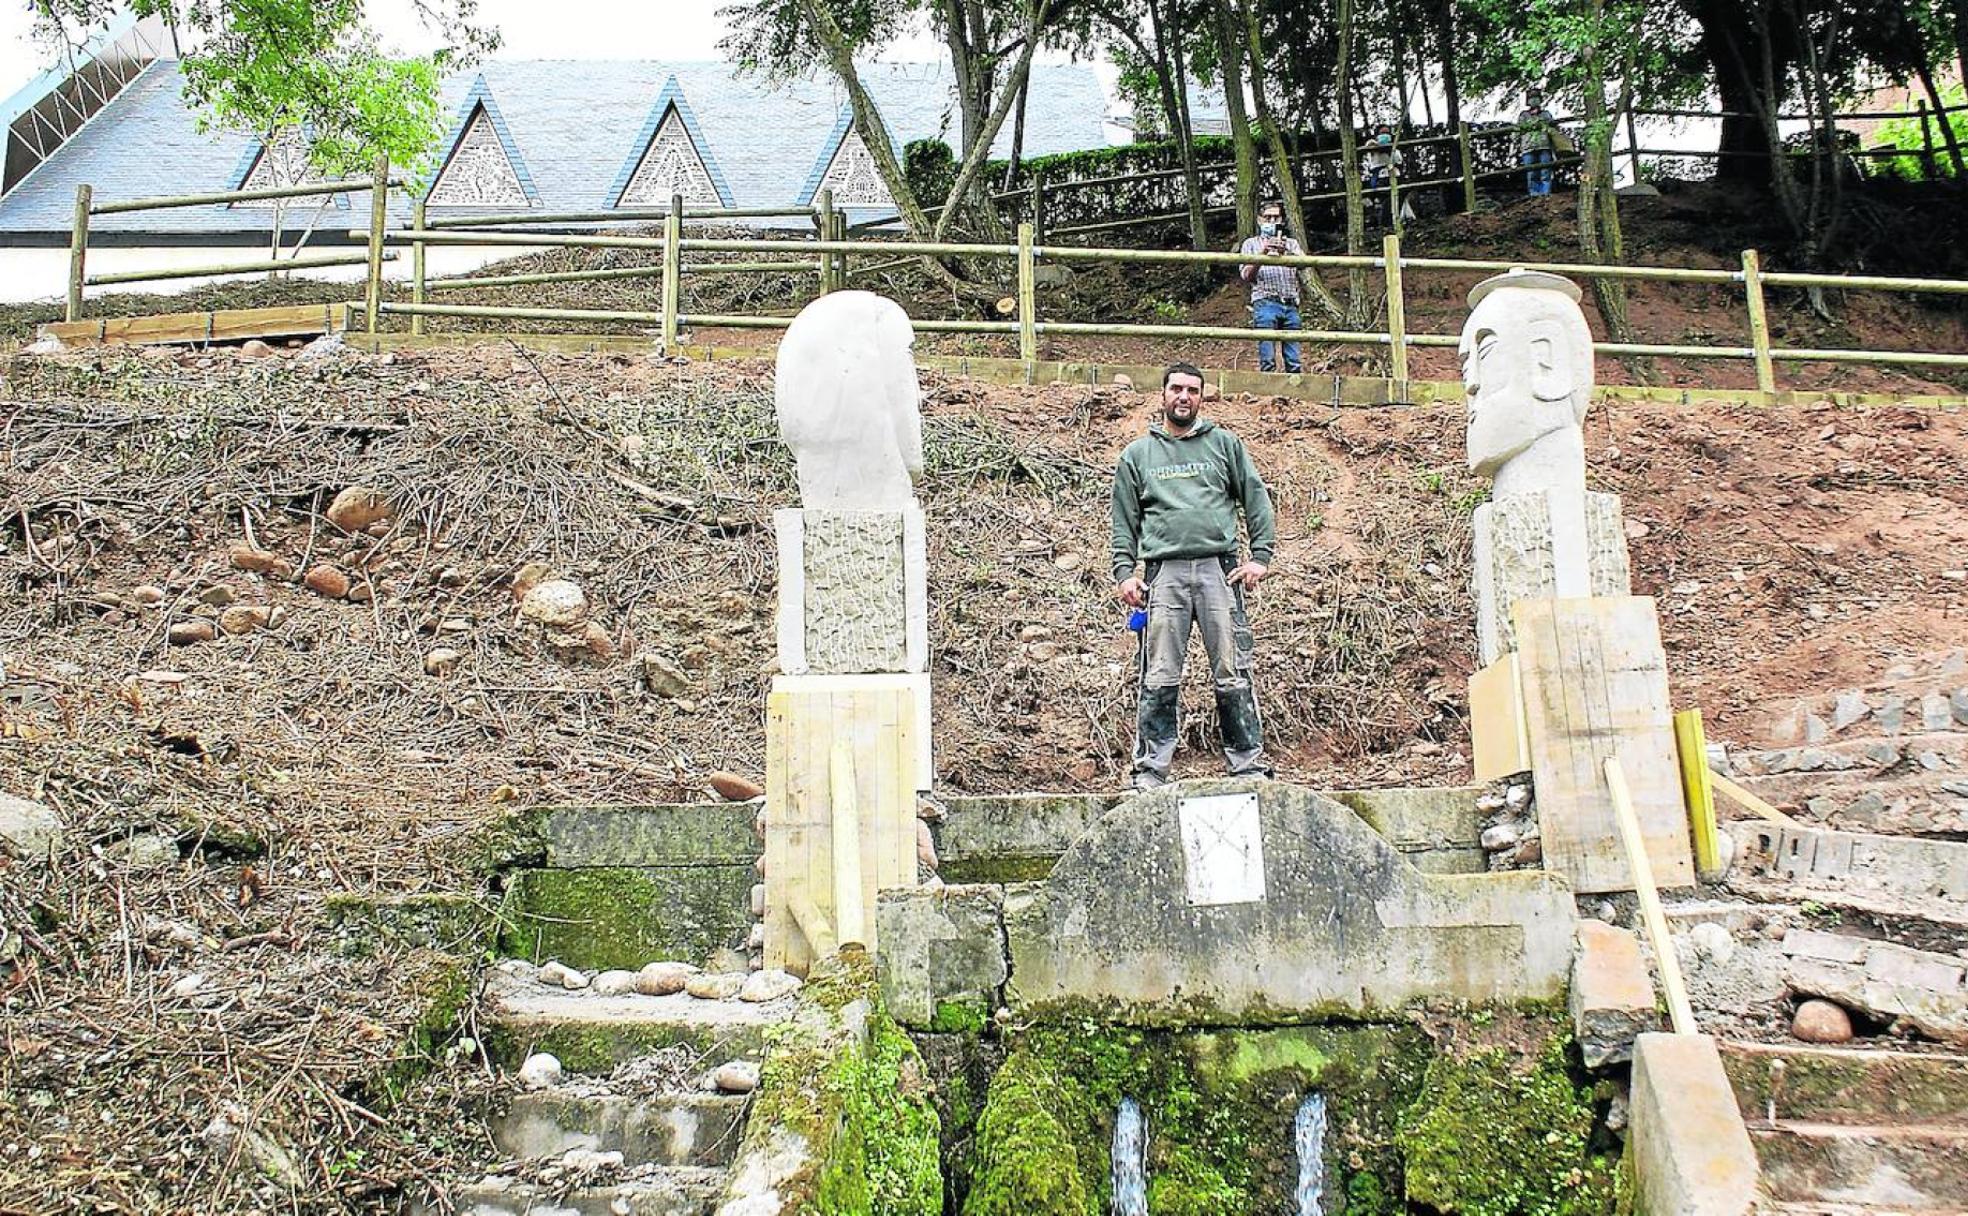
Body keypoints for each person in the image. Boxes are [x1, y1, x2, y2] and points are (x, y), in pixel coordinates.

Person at [1111, 364, 1276, 790]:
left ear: (1202, 397)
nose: (1183, 397)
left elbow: (1255, 497)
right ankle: (1150, 770)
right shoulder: (1138, 455)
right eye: (1176, 389)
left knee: (1232, 667)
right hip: (1162, 574)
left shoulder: (1224, 445)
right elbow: (1123, 521)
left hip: (1219, 571)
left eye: (1192, 390)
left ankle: (1248, 764)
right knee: (1159, 672)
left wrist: (1260, 556)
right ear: (1162, 394)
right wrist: (1124, 573)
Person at [1236, 202, 1302, 374]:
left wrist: (1285, 251)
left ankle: (1295, 394)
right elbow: (1246, 275)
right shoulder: (1250, 244)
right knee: (1268, 358)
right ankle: (1268, 395)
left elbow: (1304, 264)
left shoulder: (1292, 243)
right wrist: (1263, 253)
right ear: (1259, 220)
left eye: (1276, 217)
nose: (1272, 221)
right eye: (1268, 217)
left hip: (1290, 303)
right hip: (1265, 302)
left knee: (1294, 359)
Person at [1518, 89, 1557, 197]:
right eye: (1531, 98)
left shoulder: (1546, 114)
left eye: (1536, 98)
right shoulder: (1524, 115)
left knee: (1545, 172)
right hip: (1528, 147)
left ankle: (1545, 193)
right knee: (1531, 173)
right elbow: (1521, 128)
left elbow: (1551, 125)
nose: (1534, 101)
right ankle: (1534, 194)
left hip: (1544, 146)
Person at [1365, 126, 1394, 225]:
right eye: (1383, 133)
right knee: (1383, 198)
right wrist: (1380, 146)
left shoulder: (1394, 147)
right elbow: (1370, 145)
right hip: (1379, 177)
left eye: (1387, 133)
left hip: (1391, 174)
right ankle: (1382, 223)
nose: (1385, 135)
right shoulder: (1373, 144)